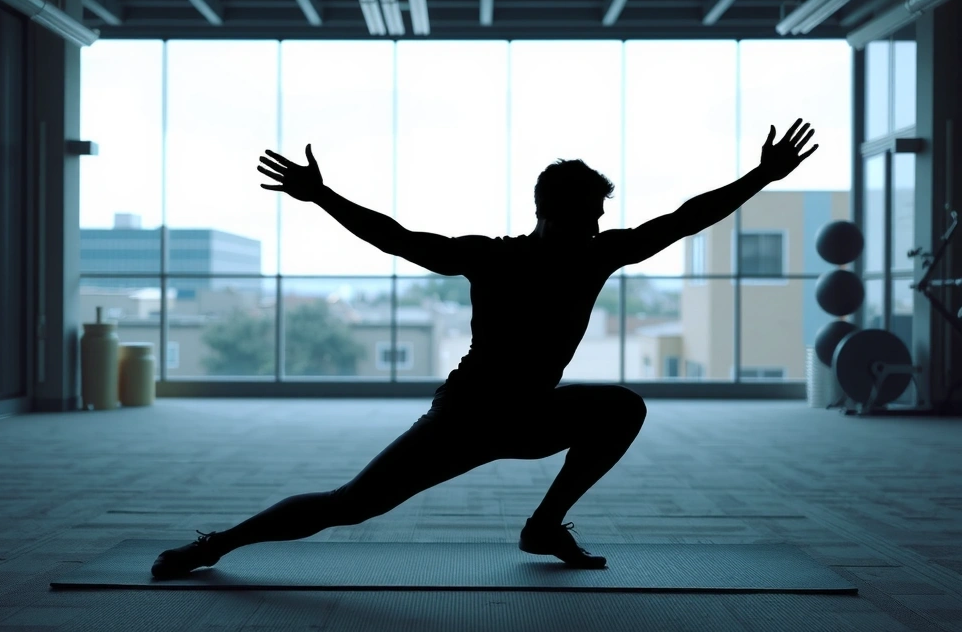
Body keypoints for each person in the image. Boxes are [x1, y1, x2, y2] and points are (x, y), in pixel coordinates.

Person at [151, 119, 818, 579]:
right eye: (588, 214)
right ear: (549, 210)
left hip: (531, 414)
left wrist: (759, 177)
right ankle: (215, 545)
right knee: (351, 504)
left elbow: (684, 219)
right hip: (465, 418)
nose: (596, 225)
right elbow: (395, 237)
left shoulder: (596, 255)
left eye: (599, 216)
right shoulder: (492, 258)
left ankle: (545, 526)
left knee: (622, 406)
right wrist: (322, 195)